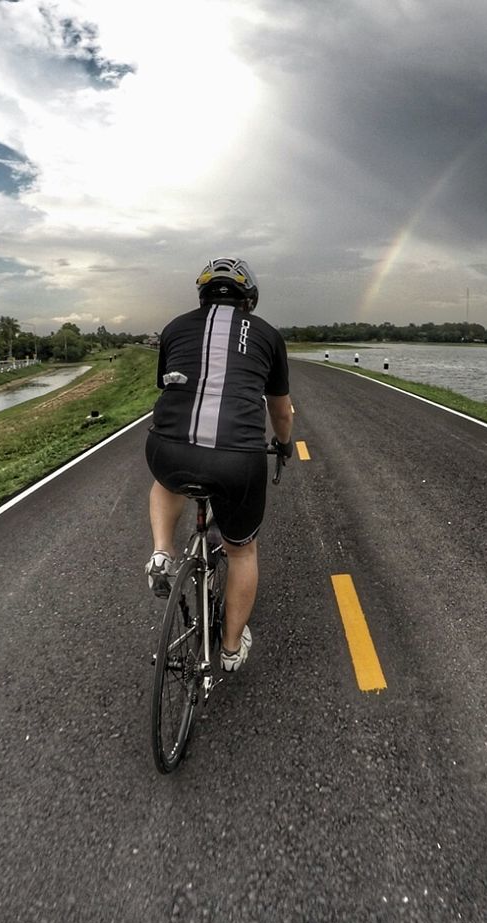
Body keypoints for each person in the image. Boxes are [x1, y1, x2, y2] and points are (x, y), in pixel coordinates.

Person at [144, 258, 294, 672]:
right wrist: (284, 446)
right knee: (241, 550)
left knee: (165, 482)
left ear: (202, 295)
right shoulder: (267, 334)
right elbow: (281, 413)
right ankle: (229, 648)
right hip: (238, 459)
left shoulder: (174, 328)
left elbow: (173, 386)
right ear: (250, 300)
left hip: (168, 447)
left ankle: (161, 551)